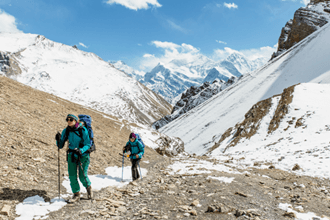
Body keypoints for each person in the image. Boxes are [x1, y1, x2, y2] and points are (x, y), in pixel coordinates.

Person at [55, 114, 92, 202]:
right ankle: (76, 194)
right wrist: (58, 139)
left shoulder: (82, 130)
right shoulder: (66, 131)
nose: (69, 121)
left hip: (83, 156)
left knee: (82, 176)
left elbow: (88, 144)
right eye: (67, 119)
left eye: (71, 119)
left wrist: (81, 150)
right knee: (72, 176)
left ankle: (89, 190)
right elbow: (60, 146)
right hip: (71, 155)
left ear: (75, 120)